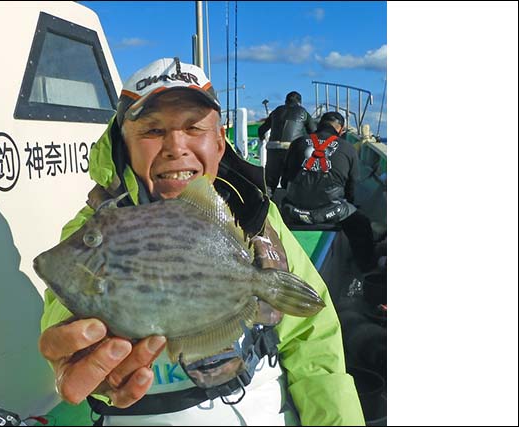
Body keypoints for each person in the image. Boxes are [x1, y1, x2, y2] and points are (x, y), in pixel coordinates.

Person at [39, 58, 364, 426]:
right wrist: (77, 354)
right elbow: (64, 312)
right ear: (123, 144)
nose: (176, 146)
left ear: (220, 142)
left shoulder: (256, 216)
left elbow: (314, 348)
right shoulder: (93, 227)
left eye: (194, 127)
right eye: (152, 130)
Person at [280, 111, 377, 273]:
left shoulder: (297, 143)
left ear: (319, 125)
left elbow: (284, 182)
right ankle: (365, 267)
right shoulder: (348, 148)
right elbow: (351, 188)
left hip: (294, 211)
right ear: (341, 130)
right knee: (361, 223)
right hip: (331, 212)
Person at [257, 91, 316, 195]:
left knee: (270, 183)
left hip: (273, 148)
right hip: (293, 149)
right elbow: (314, 132)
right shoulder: (303, 113)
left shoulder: (276, 111)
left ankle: (265, 204)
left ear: (285, 101)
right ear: (300, 102)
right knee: (291, 179)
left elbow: (262, 129)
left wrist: (262, 138)